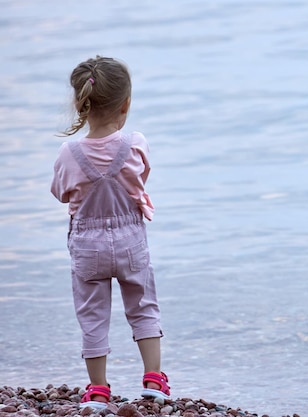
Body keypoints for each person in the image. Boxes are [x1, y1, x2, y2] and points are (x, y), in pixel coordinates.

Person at [51, 56, 170, 409]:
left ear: (80, 103)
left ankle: (99, 389)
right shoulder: (135, 143)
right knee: (143, 305)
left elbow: (60, 193)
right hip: (130, 238)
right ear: (126, 103)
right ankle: (154, 379)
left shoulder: (69, 152)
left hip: (88, 245)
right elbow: (140, 178)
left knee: (92, 315)